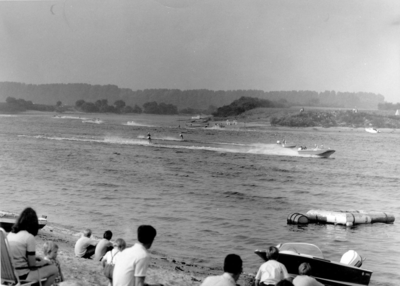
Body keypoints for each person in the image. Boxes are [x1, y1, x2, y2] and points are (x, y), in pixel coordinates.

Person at [7, 207, 58, 286]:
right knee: (54, 269)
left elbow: (17, 256)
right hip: (23, 276)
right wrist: (43, 262)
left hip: (9, 274)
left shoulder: (10, 235)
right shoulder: (29, 237)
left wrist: (35, 258)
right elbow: (32, 266)